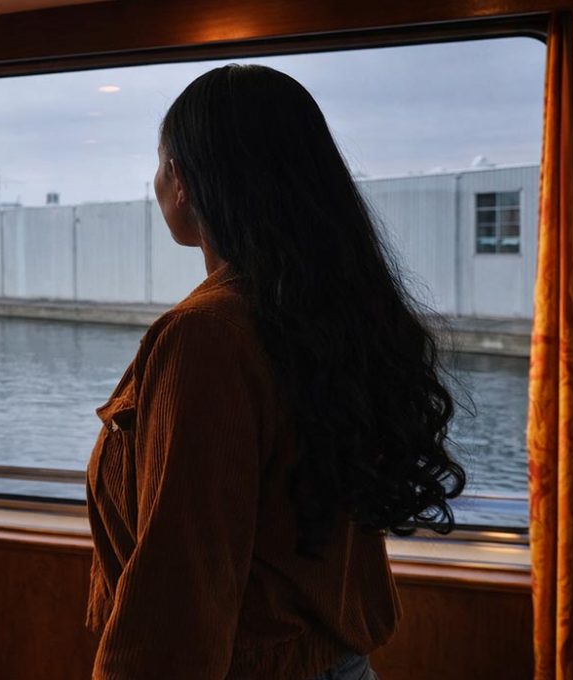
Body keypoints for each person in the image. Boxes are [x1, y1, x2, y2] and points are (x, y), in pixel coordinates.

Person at [85, 64, 466, 680]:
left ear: (183, 179)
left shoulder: (205, 336)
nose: (155, 179)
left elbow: (186, 572)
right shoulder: (335, 315)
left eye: (162, 160)